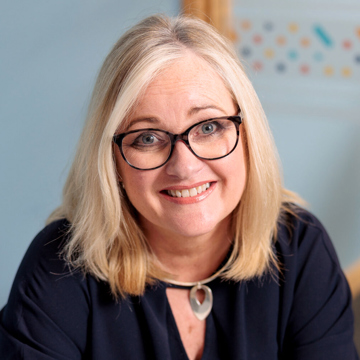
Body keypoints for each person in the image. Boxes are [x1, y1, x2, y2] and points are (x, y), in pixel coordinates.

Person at [0, 14, 358, 360]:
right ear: (112, 161)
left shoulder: (299, 247)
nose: (184, 166)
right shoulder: (60, 265)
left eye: (208, 127)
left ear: (248, 135)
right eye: (147, 137)